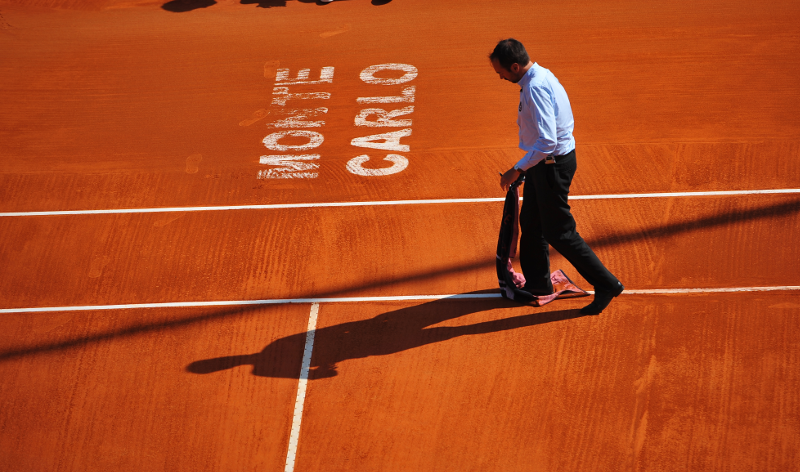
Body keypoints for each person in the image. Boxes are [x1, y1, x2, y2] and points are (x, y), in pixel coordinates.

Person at [491, 38, 624, 315]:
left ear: (515, 66)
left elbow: (548, 141)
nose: (500, 76)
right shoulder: (539, 75)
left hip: (552, 165)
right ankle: (539, 284)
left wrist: (519, 168)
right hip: (545, 163)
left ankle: (607, 283)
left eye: (501, 72)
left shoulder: (535, 87)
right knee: (531, 221)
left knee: (560, 232)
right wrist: (528, 166)